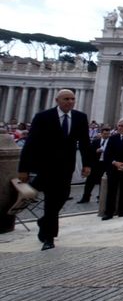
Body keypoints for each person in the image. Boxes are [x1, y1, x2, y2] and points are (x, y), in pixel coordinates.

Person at [18, 89, 92, 250]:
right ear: (57, 100)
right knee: (51, 202)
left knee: (62, 197)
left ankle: (43, 221)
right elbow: (30, 143)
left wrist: (87, 164)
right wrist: (23, 169)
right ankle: (49, 238)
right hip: (46, 165)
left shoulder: (80, 117)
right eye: (66, 99)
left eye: (72, 99)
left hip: (67, 167)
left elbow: (85, 143)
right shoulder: (43, 117)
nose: (70, 102)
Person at [77, 126, 111, 203]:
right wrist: (95, 151)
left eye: (108, 134)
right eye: (105, 134)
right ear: (101, 134)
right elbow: (90, 152)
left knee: (103, 182)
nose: (106, 135)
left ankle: (101, 197)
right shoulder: (96, 141)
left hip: (105, 164)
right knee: (90, 181)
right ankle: (86, 197)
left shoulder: (111, 142)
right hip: (95, 164)